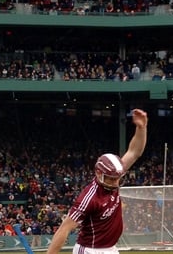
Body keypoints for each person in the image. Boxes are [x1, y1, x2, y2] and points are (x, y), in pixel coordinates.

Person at [46, 108, 148, 254]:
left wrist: (141, 128)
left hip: (111, 249)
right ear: (99, 174)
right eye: (111, 179)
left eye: (117, 179)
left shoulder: (113, 175)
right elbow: (65, 228)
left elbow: (134, 152)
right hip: (90, 250)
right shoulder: (89, 198)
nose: (115, 183)